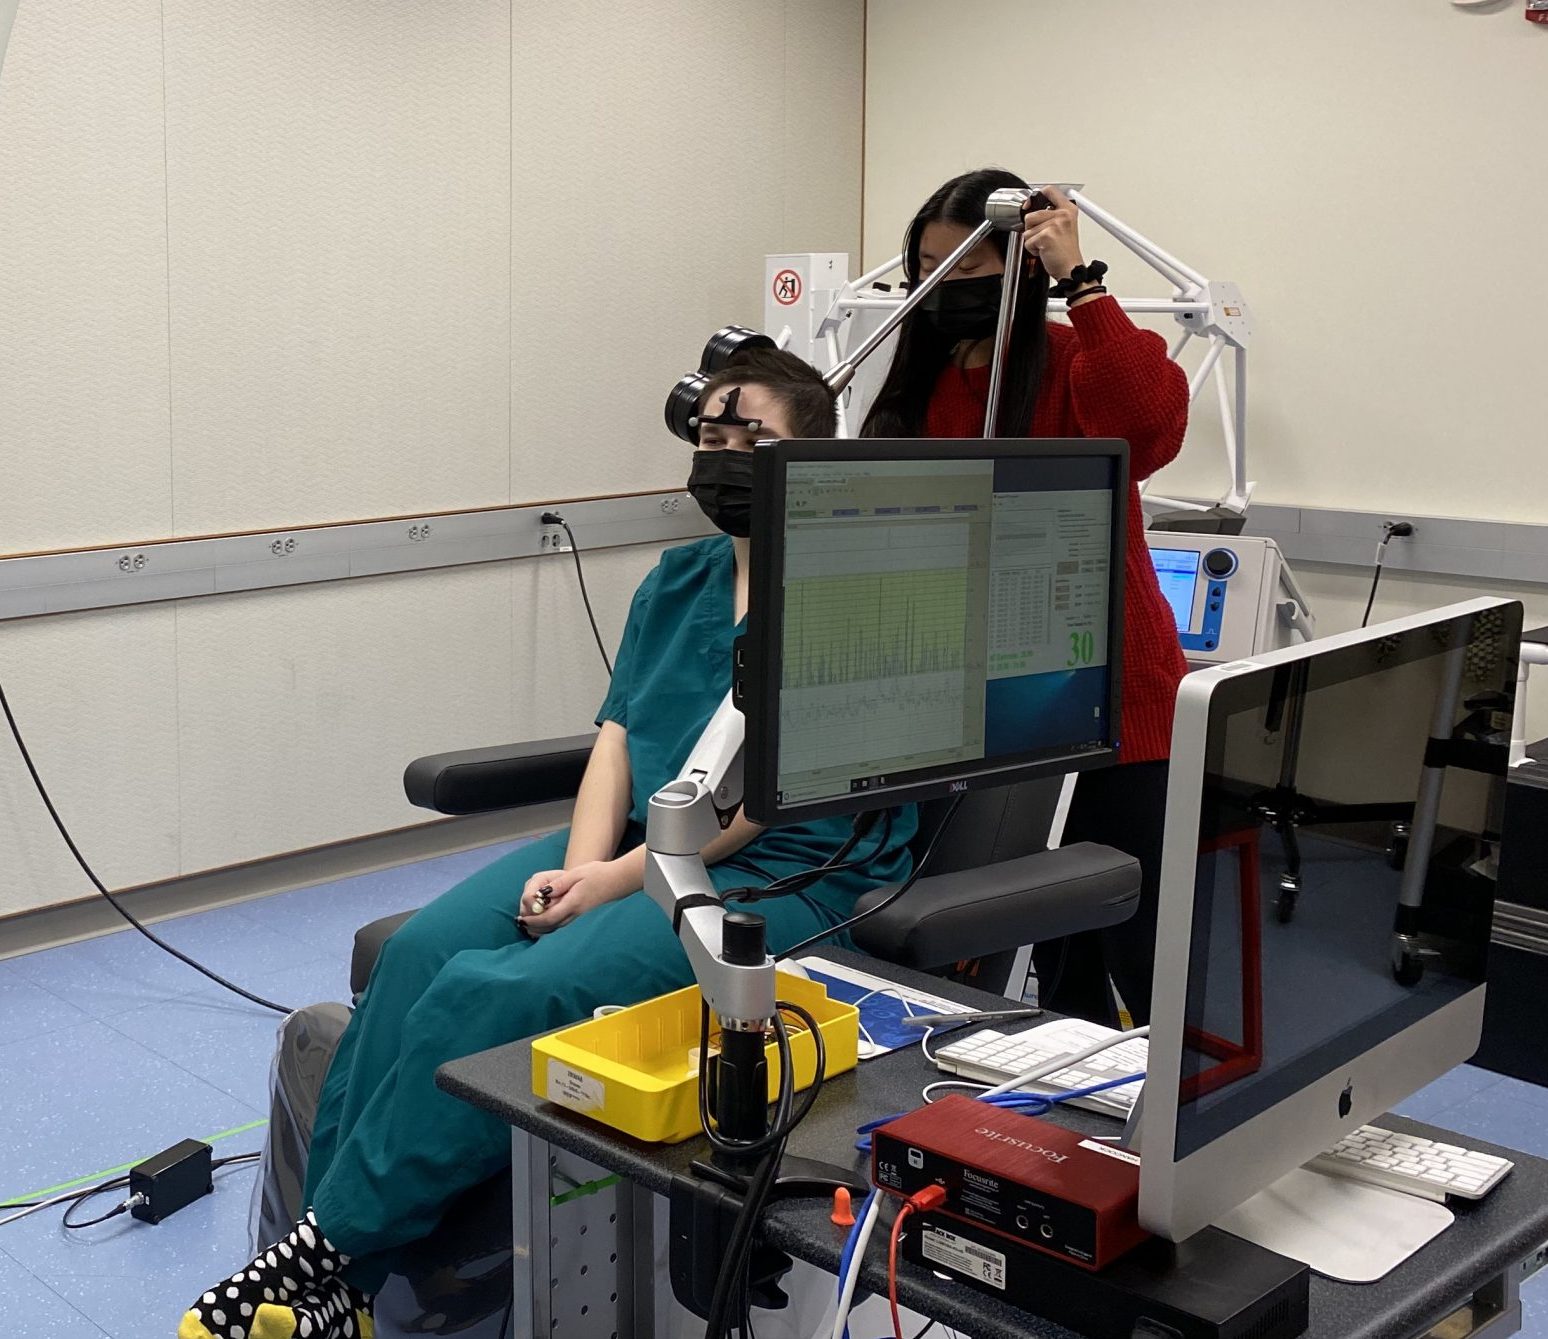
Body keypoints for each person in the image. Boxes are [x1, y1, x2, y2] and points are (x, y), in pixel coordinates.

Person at [179, 350, 917, 1339]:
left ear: (818, 457)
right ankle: (336, 1273)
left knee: (499, 994)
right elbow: (615, 741)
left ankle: (328, 1254)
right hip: (633, 848)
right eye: (712, 437)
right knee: (415, 954)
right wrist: (581, 864)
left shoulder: (850, 596)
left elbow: (759, 801)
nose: (727, 455)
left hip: (784, 871)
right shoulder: (677, 578)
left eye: (756, 438)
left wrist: (611, 883)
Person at [864, 167, 1189, 1028]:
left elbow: (1150, 425)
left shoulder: (1079, 362)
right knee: (1031, 945)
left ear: (1022, 269)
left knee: (1143, 937)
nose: (947, 291)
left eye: (970, 272)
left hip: (1117, 704)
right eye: (932, 272)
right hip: (980, 711)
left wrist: (1082, 281)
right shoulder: (915, 391)